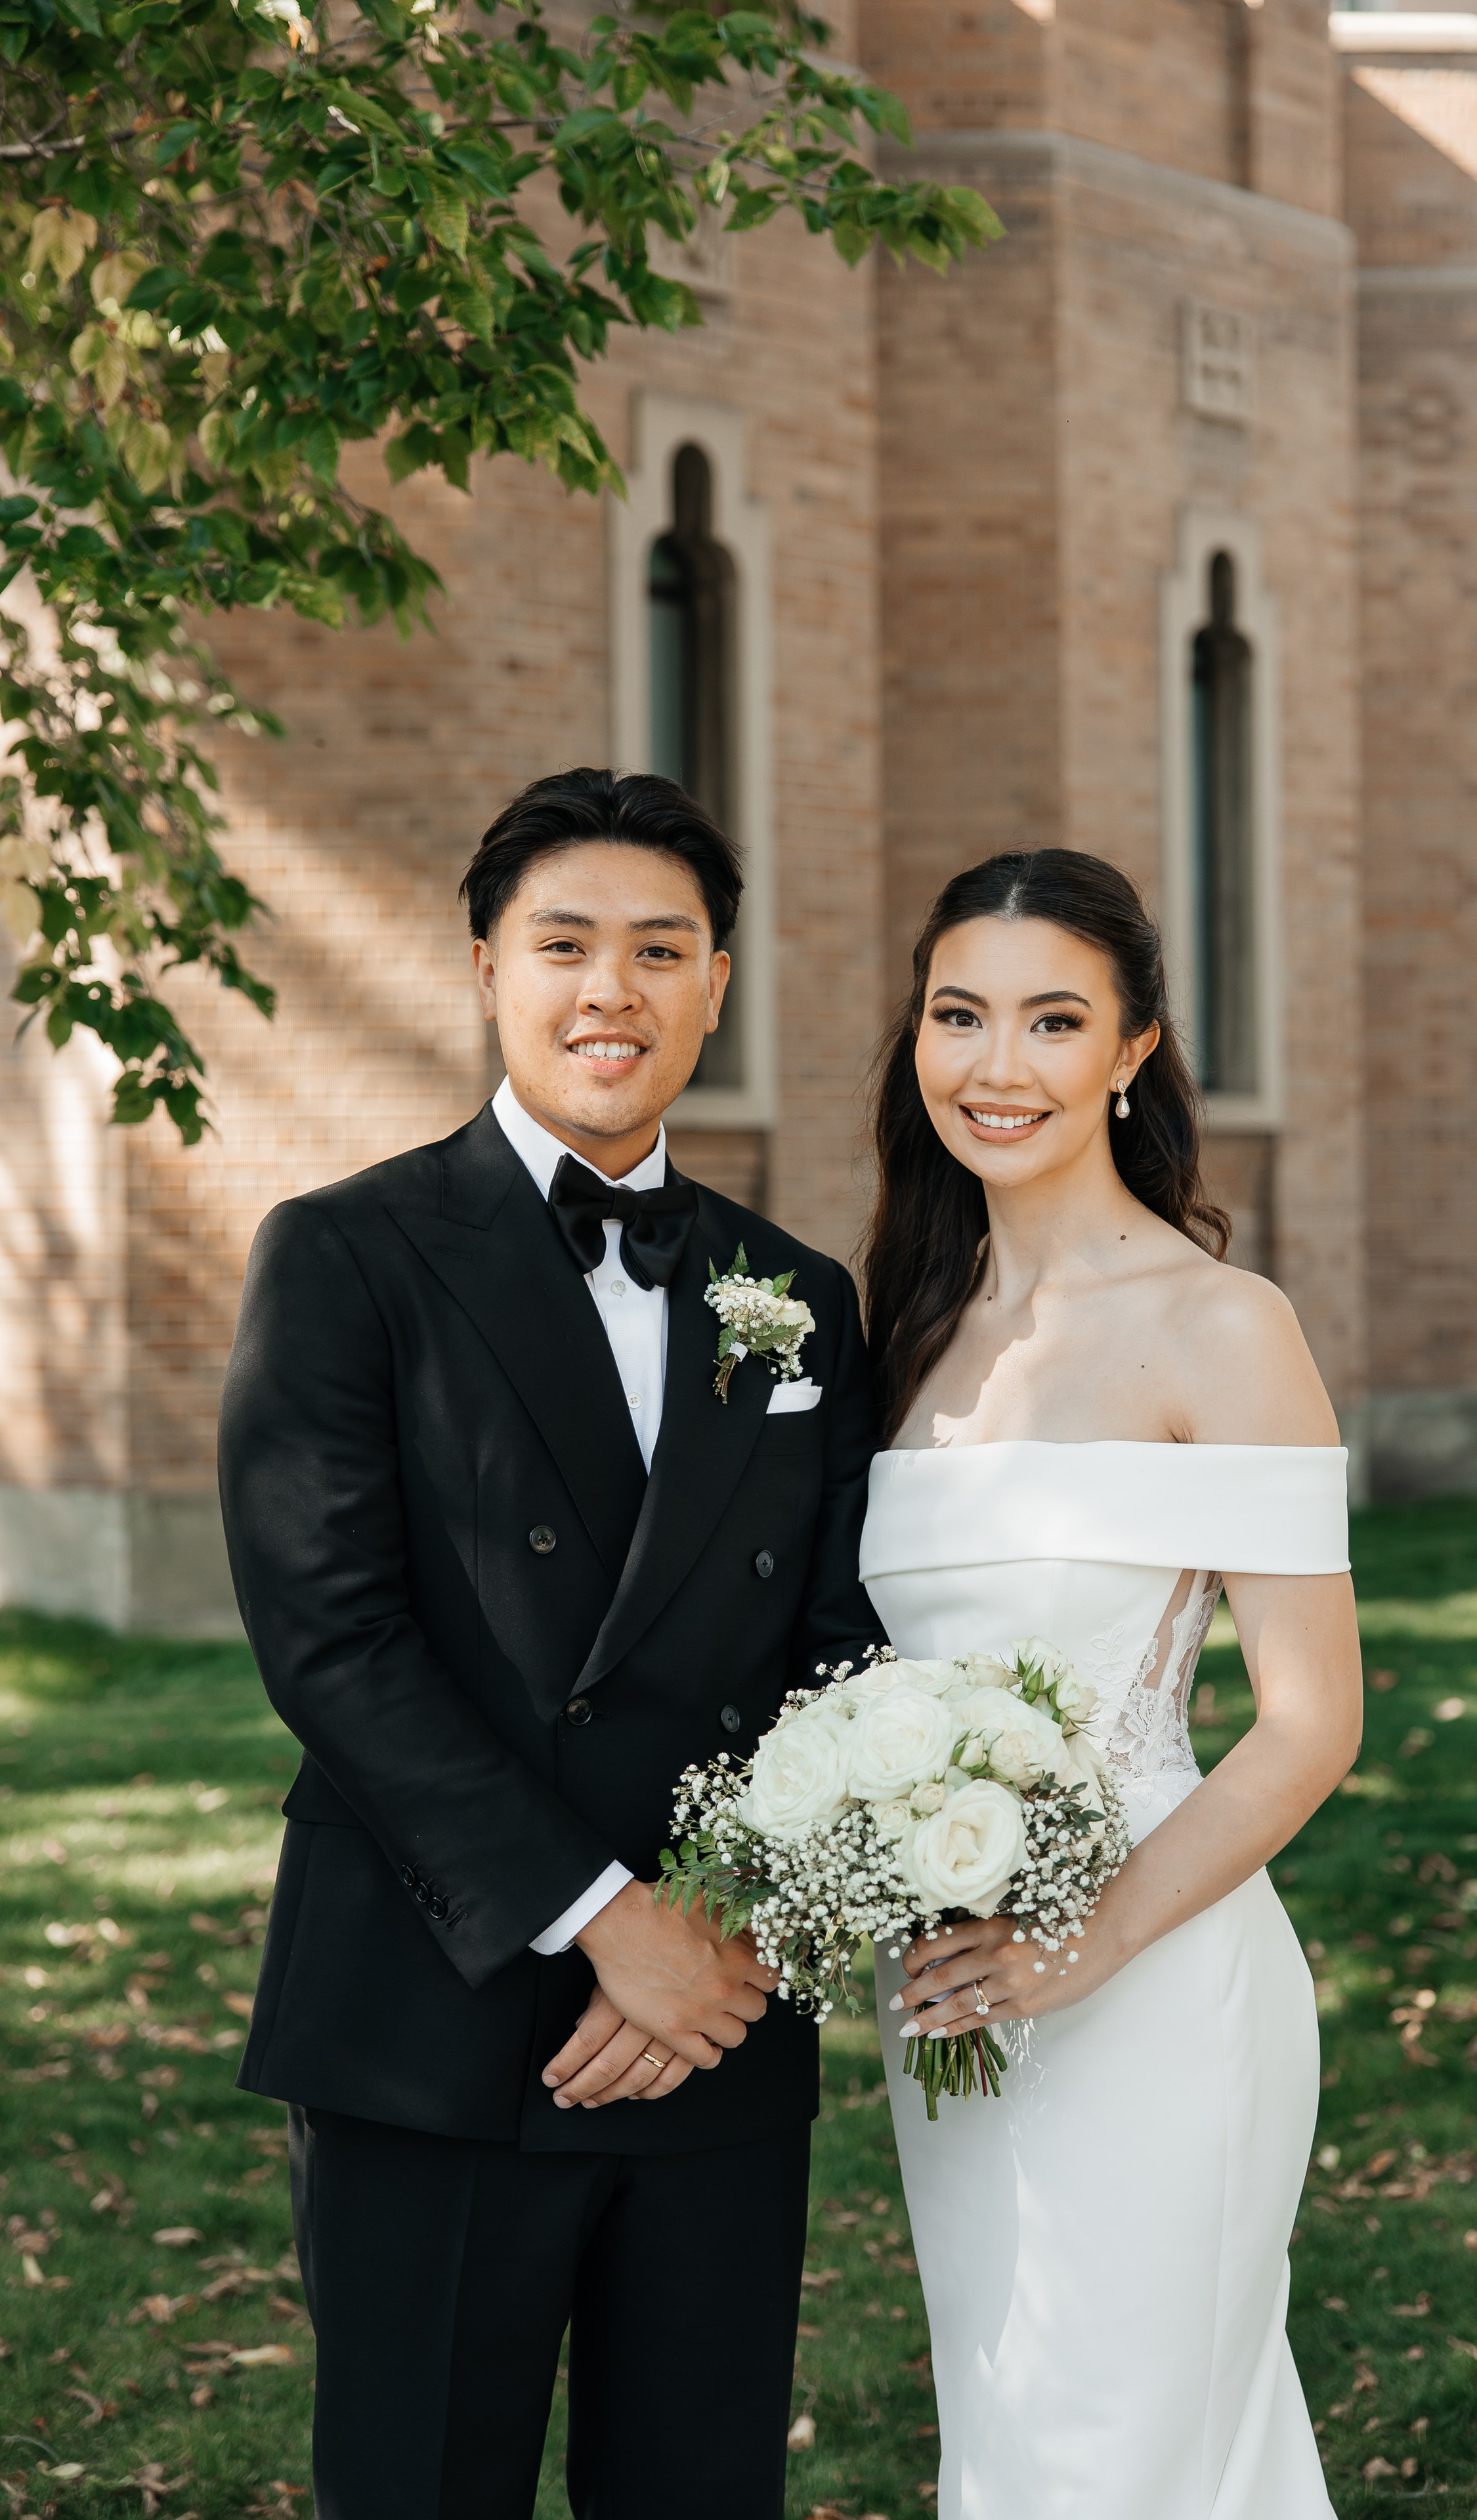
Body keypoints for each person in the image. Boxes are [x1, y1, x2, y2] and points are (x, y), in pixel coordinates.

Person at [219, 768, 880, 2520]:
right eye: (567, 944)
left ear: (718, 985)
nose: (614, 990)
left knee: (701, 2489)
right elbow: (332, 1639)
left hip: (714, 2030)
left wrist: (722, 1932)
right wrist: (611, 1926)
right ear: (487, 969)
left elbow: (831, 1643)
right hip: (438, 2011)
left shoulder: (795, 1292)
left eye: (661, 950)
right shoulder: (347, 1256)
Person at [857, 848, 1362, 2520]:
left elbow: (1309, 1719)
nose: (995, 1067)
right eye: (957, 1016)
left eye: (1051, 1020)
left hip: (1153, 1969)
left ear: (1132, 1049)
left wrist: (1095, 1937)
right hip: (944, 1981)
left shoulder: (1223, 1326)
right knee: (1007, 2430)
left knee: (1130, 2445)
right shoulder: (907, 1326)